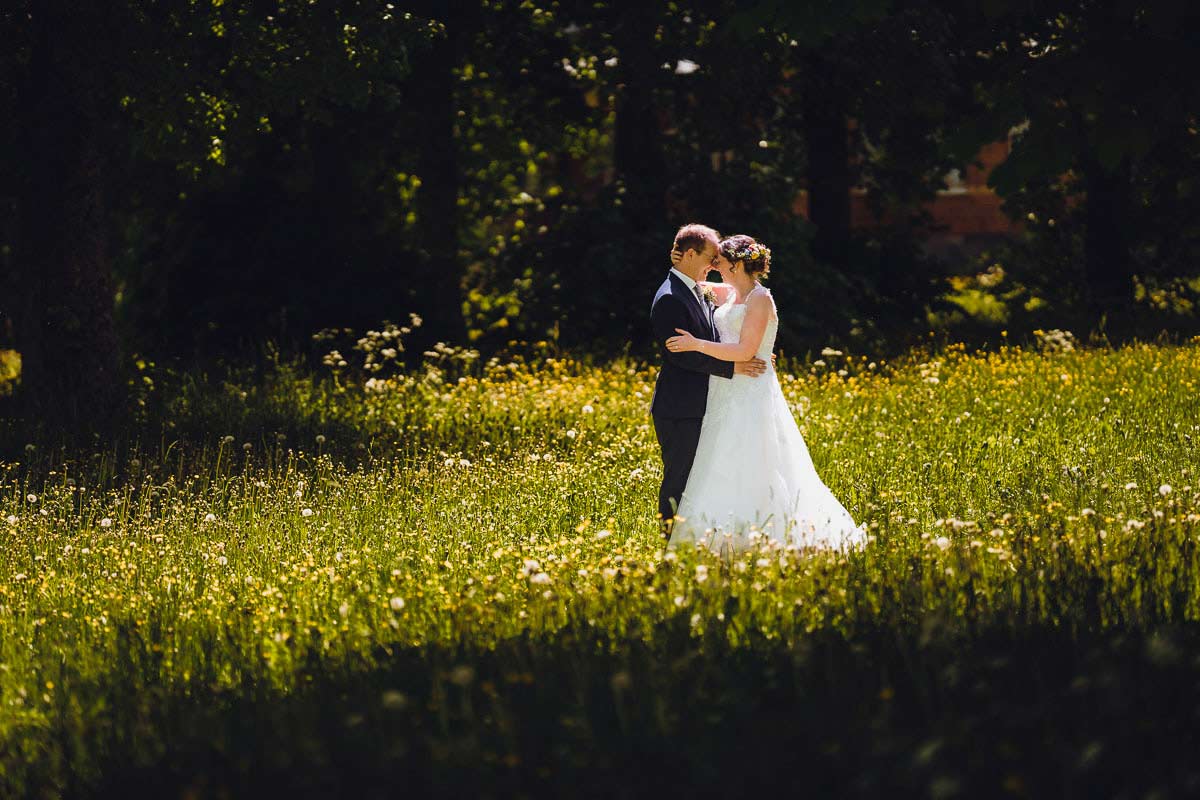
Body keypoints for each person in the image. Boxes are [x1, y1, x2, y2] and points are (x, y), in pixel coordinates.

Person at [664, 234, 867, 554]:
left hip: (751, 390)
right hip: (725, 391)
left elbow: (746, 350)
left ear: (739, 264)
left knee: (754, 459)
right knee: (717, 458)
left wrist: (695, 344)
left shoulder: (761, 299)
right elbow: (695, 287)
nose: (716, 268)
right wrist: (686, 265)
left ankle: (764, 536)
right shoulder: (732, 292)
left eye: (722, 264)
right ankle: (716, 538)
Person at [650, 224, 768, 539]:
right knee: (678, 480)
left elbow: (743, 296)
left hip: (703, 403)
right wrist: (735, 369)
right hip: (679, 406)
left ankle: (694, 540)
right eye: (711, 257)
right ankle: (669, 545)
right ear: (689, 254)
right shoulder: (670, 298)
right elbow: (681, 356)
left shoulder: (695, 287)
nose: (714, 264)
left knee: (698, 478)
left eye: (719, 259)